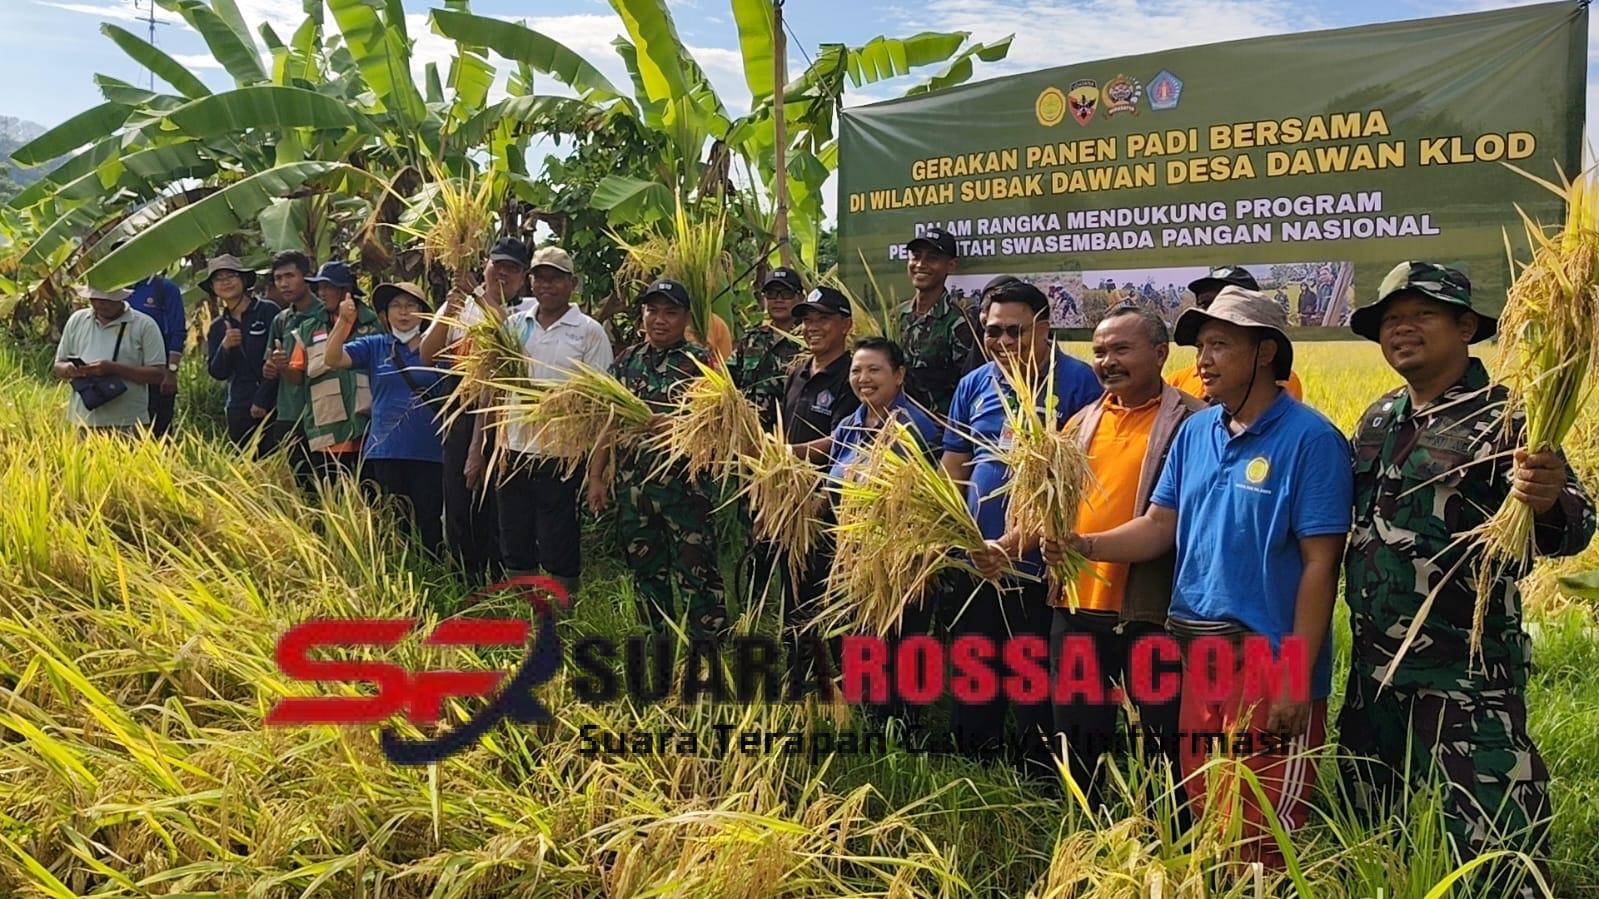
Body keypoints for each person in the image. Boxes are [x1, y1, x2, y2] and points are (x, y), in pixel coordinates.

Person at [1049, 286, 1351, 867]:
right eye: (1201, 347)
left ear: (1265, 352)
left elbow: (1322, 564)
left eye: (1219, 345)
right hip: (1198, 652)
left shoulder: (1311, 440)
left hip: (1267, 658)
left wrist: (1294, 678)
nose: (1203, 361)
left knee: (1261, 828)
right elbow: (1159, 525)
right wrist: (1085, 546)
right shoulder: (1197, 432)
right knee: (1207, 807)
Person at [1337, 262, 1596, 897]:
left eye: (1421, 315)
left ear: (1465, 327)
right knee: (1372, 836)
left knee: (1497, 848)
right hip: (1374, 672)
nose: (1402, 329)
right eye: (1390, 320)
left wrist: (1546, 500)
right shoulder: (1379, 418)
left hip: (1465, 674)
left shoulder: (1510, 417)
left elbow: (1575, 524)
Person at [1002, 304, 1203, 810]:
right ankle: (1085, 828)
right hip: (1076, 607)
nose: (1107, 362)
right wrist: (1006, 546)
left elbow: (1174, 524)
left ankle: (1165, 837)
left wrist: (1086, 545)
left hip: (1150, 612)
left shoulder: (1194, 423)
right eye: (1099, 352)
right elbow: (1048, 511)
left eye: (1121, 349)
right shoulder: (1080, 423)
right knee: (1078, 736)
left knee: (1161, 744)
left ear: (1160, 353)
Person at [949, 279, 1101, 778]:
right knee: (976, 665)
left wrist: (1021, 541)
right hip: (979, 560)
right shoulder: (975, 384)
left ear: (1045, 327)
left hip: (1043, 565)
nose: (1003, 342)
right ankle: (976, 767)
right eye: (993, 331)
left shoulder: (1078, 381)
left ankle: (1038, 773)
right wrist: (954, 532)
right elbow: (956, 463)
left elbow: (1085, 478)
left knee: (1033, 669)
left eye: (1015, 331)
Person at [588, 279, 728, 637]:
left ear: (686, 318)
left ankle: (707, 646)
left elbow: (721, 425)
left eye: (670, 312)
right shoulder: (627, 362)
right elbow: (607, 422)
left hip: (686, 493)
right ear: (642, 314)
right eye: (652, 311)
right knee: (646, 573)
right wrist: (596, 477)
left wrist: (677, 426)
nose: (659, 320)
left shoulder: (702, 363)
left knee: (698, 574)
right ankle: (659, 643)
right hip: (635, 492)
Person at [814, 337, 943, 721]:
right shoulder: (848, 427)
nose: (863, 378)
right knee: (859, 637)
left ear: (899, 375)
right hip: (853, 557)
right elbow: (833, 483)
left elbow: (932, 495)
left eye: (874, 370)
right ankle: (869, 721)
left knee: (902, 641)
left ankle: (905, 727)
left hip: (901, 559)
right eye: (856, 370)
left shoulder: (915, 428)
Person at [497, 246, 614, 600]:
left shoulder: (589, 332)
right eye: (540, 277)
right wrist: (485, 448)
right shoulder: (514, 325)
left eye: (555, 278)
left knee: (558, 540)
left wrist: (596, 474)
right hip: (514, 450)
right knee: (515, 538)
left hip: (562, 455)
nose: (546, 285)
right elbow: (495, 389)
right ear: (530, 281)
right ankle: (524, 606)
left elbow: (603, 406)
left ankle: (562, 610)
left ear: (572, 283)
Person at [421, 236, 530, 584]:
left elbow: (506, 340)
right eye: (498, 265)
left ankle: (500, 578)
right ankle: (464, 577)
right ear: (485, 266)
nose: (503, 274)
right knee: (458, 495)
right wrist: (452, 309)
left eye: (512, 269)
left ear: (523, 277)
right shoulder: (460, 306)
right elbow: (427, 354)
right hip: (461, 406)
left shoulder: (526, 312)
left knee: (499, 500)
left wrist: (479, 297)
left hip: (505, 411)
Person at [322, 282, 447, 553]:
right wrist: (343, 321)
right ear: (384, 314)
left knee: (429, 522)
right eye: (396, 306)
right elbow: (332, 359)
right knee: (392, 524)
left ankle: (432, 573)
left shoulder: (437, 349)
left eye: (411, 306)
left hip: (429, 451)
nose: (403, 312)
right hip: (385, 450)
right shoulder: (376, 345)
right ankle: (397, 574)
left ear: (424, 314)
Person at [774, 286, 861, 641]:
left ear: (846, 324)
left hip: (829, 508)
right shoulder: (798, 374)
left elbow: (844, 441)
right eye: (807, 320)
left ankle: (839, 670)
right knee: (793, 599)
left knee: (832, 600)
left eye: (823, 319)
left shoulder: (853, 376)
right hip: (791, 505)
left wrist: (784, 454)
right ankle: (801, 667)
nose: (812, 327)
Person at [288, 261, 379, 481]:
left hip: (367, 431)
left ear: (346, 290)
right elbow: (297, 375)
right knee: (330, 494)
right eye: (319, 287)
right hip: (326, 432)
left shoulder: (375, 325)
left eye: (328, 287)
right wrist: (281, 366)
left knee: (370, 494)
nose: (321, 293)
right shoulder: (308, 328)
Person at [1166, 266, 1303, 401]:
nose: (1215, 312)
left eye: (1230, 302)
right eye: (1205, 304)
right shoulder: (1177, 382)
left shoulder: (1279, 383)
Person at [53, 286, 167, 433]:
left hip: (127, 422)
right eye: (95, 299)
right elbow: (59, 365)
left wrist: (114, 369)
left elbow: (158, 375)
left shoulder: (144, 325)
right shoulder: (77, 320)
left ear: (120, 298)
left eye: (106, 300)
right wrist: (69, 369)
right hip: (83, 420)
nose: (99, 304)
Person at [897, 227, 982, 417]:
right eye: (916, 256)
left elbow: (970, 384)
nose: (921, 264)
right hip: (896, 422)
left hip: (941, 426)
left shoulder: (960, 321)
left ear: (950, 266)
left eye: (932, 258)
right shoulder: (897, 316)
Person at [201, 254, 280, 448]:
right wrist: (225, 346)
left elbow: (278, 358)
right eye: (218, 279)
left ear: (243, 280)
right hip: (238, 407)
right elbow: (217, 372)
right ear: (212, 287)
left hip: (274, 404)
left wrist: (262, 400)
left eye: (231, 275)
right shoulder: (217, 327)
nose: (225, 282)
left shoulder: (268, 311)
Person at [261, 251, 318, 482]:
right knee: (297, 482)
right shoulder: (281, 320)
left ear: (306, 277)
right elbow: (269, 364)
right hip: (288, 412)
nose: (284, 283)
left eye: (290, 276)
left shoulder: (325, 314)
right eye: (278, 278)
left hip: (321, 413)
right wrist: (272, 367)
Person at [729, 267, 802, 430]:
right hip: (748, 431)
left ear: (800, 298)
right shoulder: (752, 339)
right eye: (771, 294)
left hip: (789, 436)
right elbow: (727, 377)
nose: (778, 300)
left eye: (786, 294)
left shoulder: (808, 342)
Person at [123, 266, 185, 437]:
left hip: (157, 372)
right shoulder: (113, 289)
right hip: (122, 371)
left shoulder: (163, 288)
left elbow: (177, 332)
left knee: (158, 428)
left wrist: (171, 372)